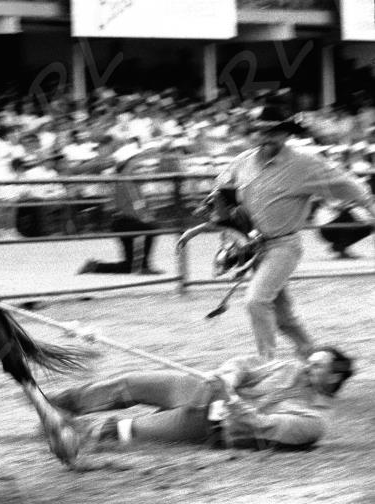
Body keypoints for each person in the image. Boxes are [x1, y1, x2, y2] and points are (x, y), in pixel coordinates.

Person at [177, 105, 375, 360]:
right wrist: (215, 211)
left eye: (274, 131)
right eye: (260, 131)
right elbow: (220, 194)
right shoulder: (242, 163)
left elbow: (349, 185)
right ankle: (312, 358)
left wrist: (369, 205)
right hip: (252, 247)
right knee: (283, 317)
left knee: (256, 301)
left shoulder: (306, 165)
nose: (266, 136)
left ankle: (266, 365)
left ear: (286, 135)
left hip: (284, 246)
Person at [52, 346, 354, 451]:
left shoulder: (314, 422)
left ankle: (62, 434)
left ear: (333, 378)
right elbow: (245, 365)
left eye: (318, 365)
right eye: (310, 360)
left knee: (122, 430)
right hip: (200, 389)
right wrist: (229, 377)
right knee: (127, 384)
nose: (307, 365)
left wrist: (231, 399)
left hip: (212, 426)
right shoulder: (290, 367)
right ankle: (58, 403)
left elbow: (260, 427)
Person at [76, 136, 162, 275]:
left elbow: (139, 203)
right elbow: (136, 204)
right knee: (151, 227)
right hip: (124, 221)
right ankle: (144, 265)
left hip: (124, 221)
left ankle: (96, 267)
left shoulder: (128, 178)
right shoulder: (125, 179)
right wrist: (146, 217)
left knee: (128, 267)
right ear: (128, 161)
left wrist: (147, 215)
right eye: (135, 159)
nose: (138, 162)